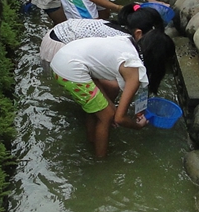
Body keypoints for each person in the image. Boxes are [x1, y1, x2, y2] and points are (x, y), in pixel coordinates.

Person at [50, 23, 174, 156]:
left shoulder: (128, 42)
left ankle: (92, 140)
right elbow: (120, 118)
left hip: (66, 56)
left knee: (101, 107)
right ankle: (101, 163)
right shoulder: (134, 70)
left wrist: (113, 107)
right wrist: (137, 126)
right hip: (70, 69)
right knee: (107, 115)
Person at [39, 4, 164, 67]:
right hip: (59, 47)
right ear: (138, 33)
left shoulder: (112, 24)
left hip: (52, 35)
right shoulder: (123, 40)